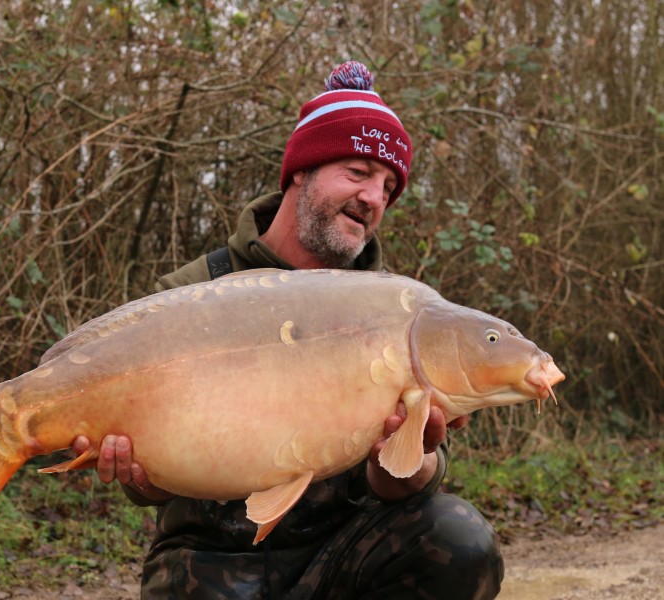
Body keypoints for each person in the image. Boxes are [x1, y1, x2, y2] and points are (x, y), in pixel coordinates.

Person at [72, 61, 504, 599]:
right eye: (358, 172)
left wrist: (408, 458)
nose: (375, 197)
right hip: (211, 555)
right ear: (301, 170)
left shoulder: (399, 309)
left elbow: (401, 486)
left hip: (346, 549)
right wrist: (139, 472)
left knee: (458, 540)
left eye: (389, 186)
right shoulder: (192, 290)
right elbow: (152, 482)